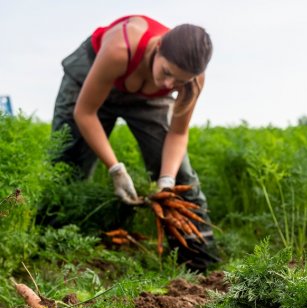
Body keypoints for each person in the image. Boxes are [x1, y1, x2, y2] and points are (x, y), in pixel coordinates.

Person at [51, 15, 219, 271]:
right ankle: (54, 244)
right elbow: (84, 113)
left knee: (181, 179)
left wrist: (166, 180)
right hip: (91, 79)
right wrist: (115, 168)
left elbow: (178, 134)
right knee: (68, 163)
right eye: (167, 73)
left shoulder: (192, 79)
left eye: (179, 82)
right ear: (159, 46)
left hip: (145, 98)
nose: (169, 85)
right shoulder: (121, 49)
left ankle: (200, 264)